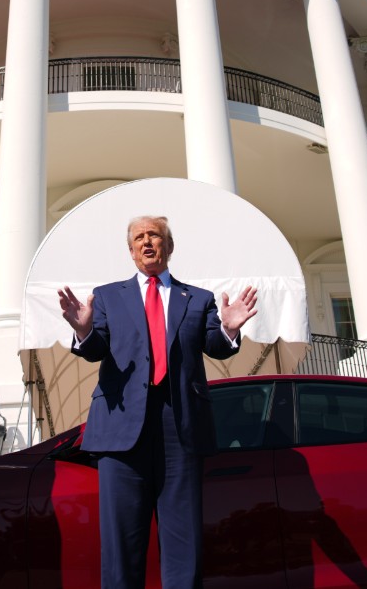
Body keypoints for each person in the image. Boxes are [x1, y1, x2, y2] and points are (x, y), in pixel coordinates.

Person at [57, 215, 258, 589]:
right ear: (130, 250)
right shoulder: (106, 296)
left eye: (155, 235)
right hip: (121, 429)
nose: (147, 242)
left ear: (169, 245)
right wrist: (84, 330)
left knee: (184, 545)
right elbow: (96, 347)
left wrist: (229, 328)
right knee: (121, 546)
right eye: (139, 237)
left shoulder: (198, 298)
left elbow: (215, 345)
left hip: (179, 426)